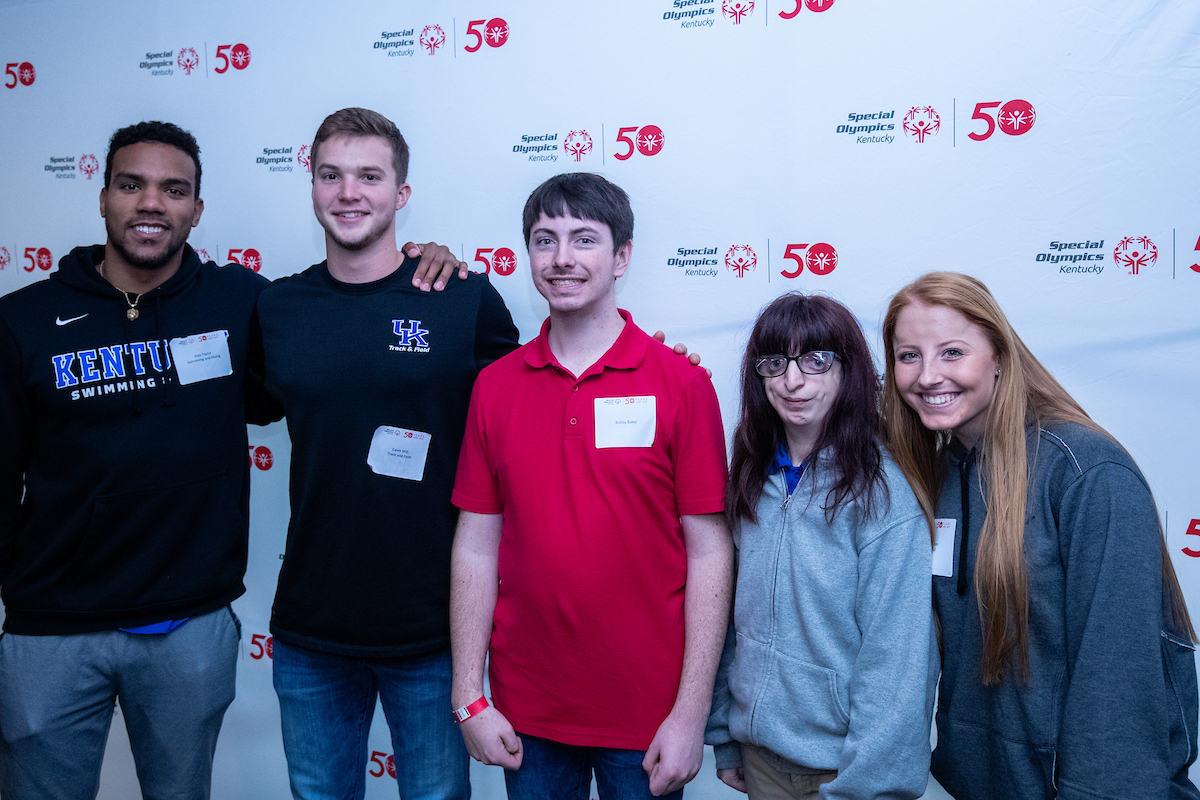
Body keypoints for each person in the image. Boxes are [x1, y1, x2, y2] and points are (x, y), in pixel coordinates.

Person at [254, 107, 520, 800]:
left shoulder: (460, 298)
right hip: (312, 627)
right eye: (331, 175)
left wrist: (655, 363)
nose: (349, 193)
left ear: (401, 193)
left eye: (370, 176)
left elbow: (537, 400)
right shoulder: (277, 309)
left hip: (432, 631)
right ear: (311, 186)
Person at [0, 120, 269, 800]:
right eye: (132, 184)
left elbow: (342, 317)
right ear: (104, 198)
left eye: (173, 190)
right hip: (51, 632)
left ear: (197, 211)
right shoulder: (21, 321)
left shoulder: (241, 303)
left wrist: (421, 261)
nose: (152, 203)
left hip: (188, 627)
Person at [449, 172, 733, 800]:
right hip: (527, 714)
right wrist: (470, 694)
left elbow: (712, 553)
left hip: (647, 717)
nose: (562, 259)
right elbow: (475, 544)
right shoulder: (495, 387)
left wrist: (690, 715)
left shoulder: (681, 385)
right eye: (545, 240)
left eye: (584, 239)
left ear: (622, 257)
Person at [880, 271, 1200, 800]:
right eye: (908, 355)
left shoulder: (1085, 470)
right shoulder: (939, 471)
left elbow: (1120, 670)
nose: (928, 375)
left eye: (952, 352)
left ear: (1001, 356)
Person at [704, 293, 938, 800]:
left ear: (846, 371)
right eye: (776, 363)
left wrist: (866, 788)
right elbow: (728, 619)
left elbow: (898, 664)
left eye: (815, 361)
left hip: (846, 774)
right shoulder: (749, 475)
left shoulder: (881, 493)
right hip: (761, 759)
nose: (793, 381)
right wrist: (724, 735)